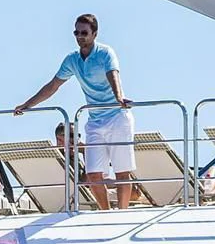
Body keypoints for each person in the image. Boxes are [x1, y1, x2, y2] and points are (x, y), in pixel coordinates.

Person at [14, 13, 134, 210]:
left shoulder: (105, 53)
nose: (80, 36)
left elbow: (114, 76)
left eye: (84, 33)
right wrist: (27, 105)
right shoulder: (72, 60)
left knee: (122, 170)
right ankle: (106, 213)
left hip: (117, 117)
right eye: (76, 32)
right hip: (95, 120)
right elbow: (53, 86)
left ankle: (122, 214)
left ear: (94, 34)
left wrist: (119, 98)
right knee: (93, 173)